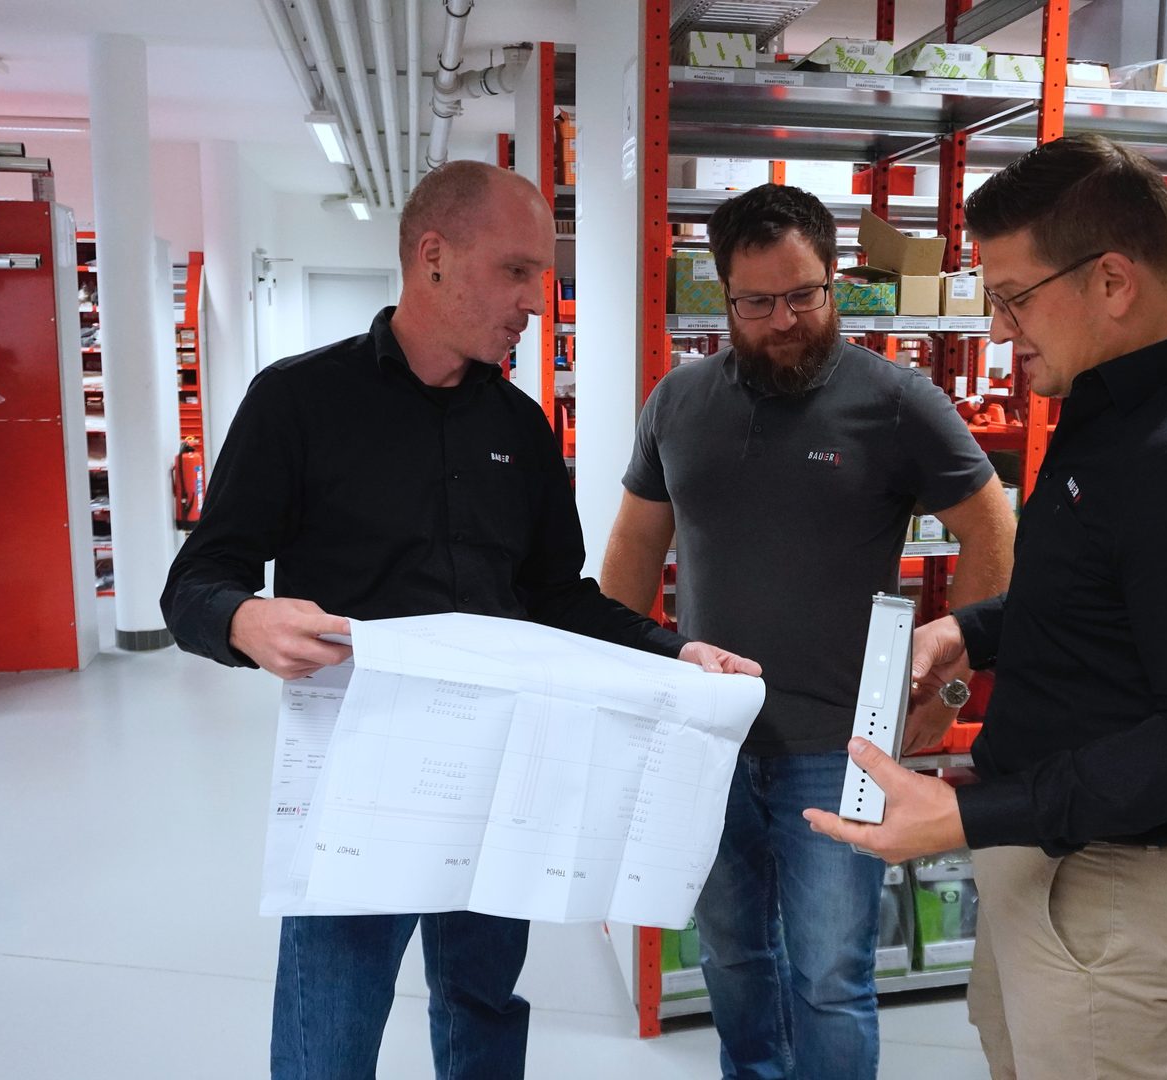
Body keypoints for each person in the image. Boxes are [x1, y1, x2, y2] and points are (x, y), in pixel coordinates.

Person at [160, 160, 758, 1080]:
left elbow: (557, 598)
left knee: (483, 997)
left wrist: (675, 653)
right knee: (331, 1014)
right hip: (358, 763)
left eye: (543, 276)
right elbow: (196, 582)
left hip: (498, 763)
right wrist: (244, 621)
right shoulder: (299, 402)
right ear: (433, 257)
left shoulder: (520, 430)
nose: (536, 297)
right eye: (517, 270)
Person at [801, 134, 1167, 1080]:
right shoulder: (1109, 411)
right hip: (1050, 853)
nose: (1002, 330)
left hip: (1118, 885)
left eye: (1013, 298)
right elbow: (1093, 598)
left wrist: (965, 818)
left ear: (1113, 280)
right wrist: (970, 630)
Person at [601, 183, 1016, 1079]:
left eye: (805, 294)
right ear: (723, 297)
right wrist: (631, 694)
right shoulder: (677, 403)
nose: (784, 319)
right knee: (733, 961)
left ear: (834, 279)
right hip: (708, 740)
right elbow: (631, 558)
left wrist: (948, 690)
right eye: (757, 301)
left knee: (829, 975)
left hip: (841, 746)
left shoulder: (897, 400)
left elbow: (994, 531)